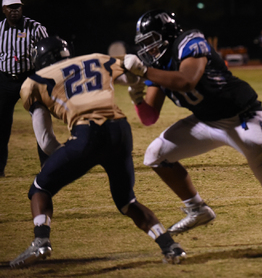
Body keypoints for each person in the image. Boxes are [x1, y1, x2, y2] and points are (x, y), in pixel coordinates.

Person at [123, 10, 262, 244]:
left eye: (152, 41)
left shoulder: (189, 41)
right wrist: (136, 95)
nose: (149, 49)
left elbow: (187, 80)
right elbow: (149, 117)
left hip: (241, 117)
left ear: (168, 35)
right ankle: (197, 209)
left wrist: (144, 72)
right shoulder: (157, 63)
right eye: (145, 44)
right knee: (155, 154)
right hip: (206, 121)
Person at [10, 36, 185, 268]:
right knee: (127, 201)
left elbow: (45, 141)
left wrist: (70, 159)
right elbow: (131, 65)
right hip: (120, 130)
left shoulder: (34, 82)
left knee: (40, 188)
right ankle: (170, 246)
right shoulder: (94, 59)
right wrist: (135, 90)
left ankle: (41, 241)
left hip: (86, 134)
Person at [0, 0, 49, 176]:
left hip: (28, 79)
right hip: (4, 80)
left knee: (40, 120)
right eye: (11, 7)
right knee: (1, 126)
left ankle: (46, 166)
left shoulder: (35, 28)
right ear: (4, 9)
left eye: (18, 7)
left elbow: (47, 53)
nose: (15, 11)